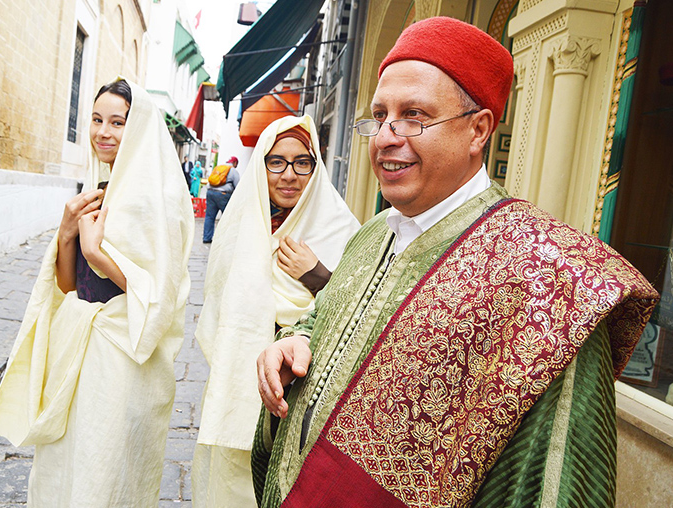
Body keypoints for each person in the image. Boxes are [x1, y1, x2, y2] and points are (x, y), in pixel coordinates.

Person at [253, 17, 659, 508]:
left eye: (414, 116)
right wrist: (294, 341)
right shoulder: (371, 235)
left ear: (478, 129)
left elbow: (554, 484)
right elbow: (329, 319)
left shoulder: (550, 282)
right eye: (379, 116)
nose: (385, 137)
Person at [0, 78, 194, 507]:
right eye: (96, 120)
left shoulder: (157, 200)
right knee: (64, 467)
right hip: (77, 354)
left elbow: (161, 295)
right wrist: (66, 236)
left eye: (117, 122)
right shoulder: (96, 191)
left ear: (138, 128)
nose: (103, 132)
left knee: (106, 472)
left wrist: (96, 251)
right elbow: (66, 285)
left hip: (122, 366)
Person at [192, 115, 360, 507]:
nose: (289, 174)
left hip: (303, 389)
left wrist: (316, 274)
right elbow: (219, 302)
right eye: (276, 162)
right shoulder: (242, 226)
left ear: (316, 166)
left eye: (303, 162)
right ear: (261, 166)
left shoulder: (339, 226)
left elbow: (359, 306)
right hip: (240, 378)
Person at [202, 155, 240, 243]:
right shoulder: (233, 170)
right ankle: (224, 239)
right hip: (223, 195)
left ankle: (207, 238)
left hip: (210, 192)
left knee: (209, 217)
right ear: (234, 163)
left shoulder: (218, 168)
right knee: (227, 217)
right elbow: (238, 186)